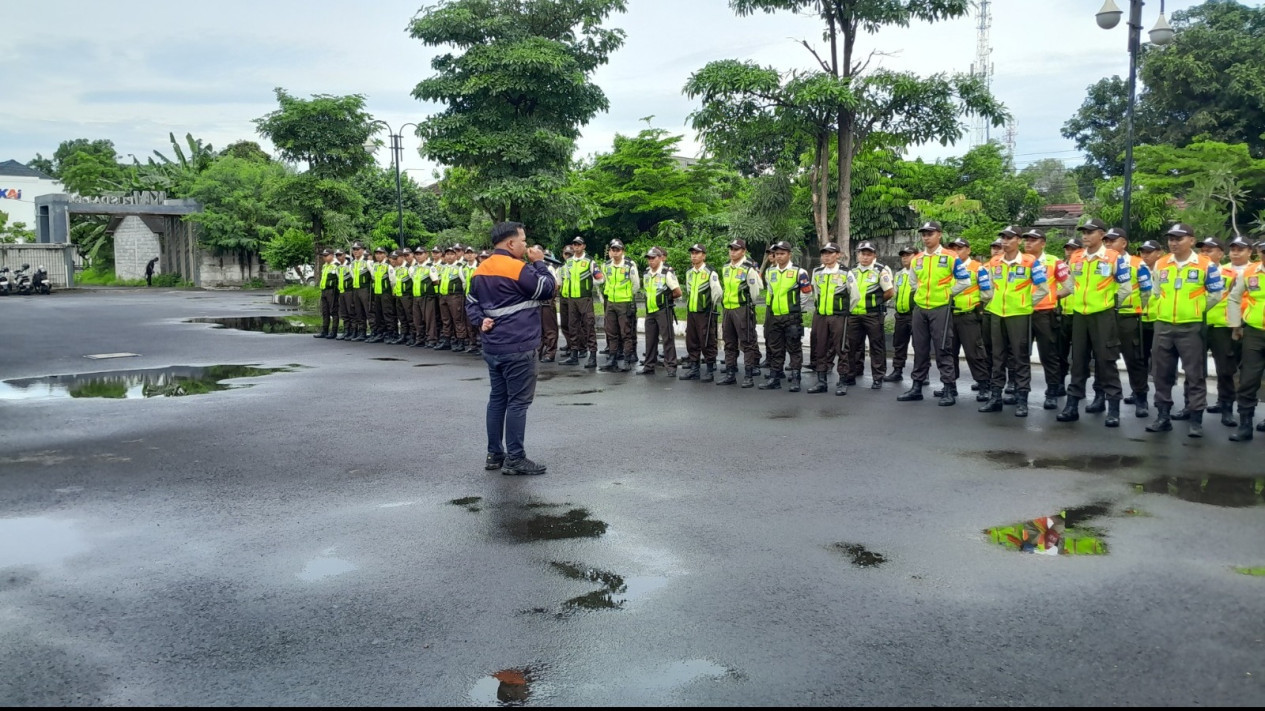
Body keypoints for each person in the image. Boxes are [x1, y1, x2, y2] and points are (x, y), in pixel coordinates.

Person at [466, 221, 556, 476]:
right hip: (518, 345)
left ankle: (495, 454)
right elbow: (546, 289)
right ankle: (515, 458)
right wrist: (539, 262)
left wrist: (479, 320)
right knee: (518, 403)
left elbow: (471, 303)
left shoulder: (480, 269)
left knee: (497, 399)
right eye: (524, 241)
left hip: (493, 346)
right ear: (510, 243)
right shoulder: (517, 268)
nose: (527, 245)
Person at [1145, 223, 1225, 437]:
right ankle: (1163, 416)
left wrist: (1196, 310)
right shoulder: (1161, 264)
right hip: (1163, 325)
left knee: (1194, 373)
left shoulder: (1205, 265)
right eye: (1170, 238)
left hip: (1191, 327)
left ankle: (1196, 419)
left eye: (1178, 238)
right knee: (1161, 373)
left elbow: (1216, 294)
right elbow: (1155, 292)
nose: (1173, 242)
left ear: (1191, 240)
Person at [1057, 218, 1132, 427]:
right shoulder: (1076, 257)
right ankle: (1072, 405)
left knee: (1106, 360)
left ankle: (1113, 408)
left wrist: (1110, 304)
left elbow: (1126, 287)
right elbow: (1070, 285)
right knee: (1078, 360)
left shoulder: (1113, 258)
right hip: (1080, 315)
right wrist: (1053, 296)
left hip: (1103, 315)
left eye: (1090, 232)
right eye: (1083, 232)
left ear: (1101, 234)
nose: (1085, 236)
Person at [897, 221, 973, 406]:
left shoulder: (950, 257)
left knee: (943, 348)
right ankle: (917, 386)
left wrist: (948, 294)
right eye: (923, 234)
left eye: (930, 233)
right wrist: (922, 294)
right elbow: (913, 282)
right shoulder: (918, 259)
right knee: (919, 347)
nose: (926, 237)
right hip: (921, 308)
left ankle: (948, 388)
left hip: (940, 308)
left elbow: (965, 281)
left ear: (939, 235)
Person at [978, 227, 1048, 417]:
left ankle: (1022, 399)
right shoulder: (994, 262)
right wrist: (990, 300)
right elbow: (988, 288)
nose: (1004, 241)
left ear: (1018, 240)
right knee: (997, 357)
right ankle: (995, 397)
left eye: (1009, 238)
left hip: (1019, 315)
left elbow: (1043, 288)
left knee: (1020, 357)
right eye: (1002, 237)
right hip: (996, 313)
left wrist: (1026, 304)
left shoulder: (1030, 262)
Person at [1105, 228, 1153, 418]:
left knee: (1134, 359)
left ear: (1123, 243)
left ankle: (1141, 397)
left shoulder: (1137, 263)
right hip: (1106, 317)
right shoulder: (1102, 260)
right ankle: (1102, 396)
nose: (1108, 244)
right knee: (1105, 359)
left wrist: (1136, 308)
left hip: (1128, 317)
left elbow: (1147, 291)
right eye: (1106, 241)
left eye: (1112, 241)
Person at [1204, 236, 1250, 427]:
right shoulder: (1219, 271)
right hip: (1216, 325)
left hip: (1242, 325)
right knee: (1221, 368)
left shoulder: (1255, 271)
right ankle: (1223, 404)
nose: (1236, 252)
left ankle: (1236, 407)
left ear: (1250, 252)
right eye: (1233, 249)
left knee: (1236, 369)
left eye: (1240, 249)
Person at [759, 241, 813, 392]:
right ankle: (775, 377)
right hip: (775, 316)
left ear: (789, 254)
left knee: (794, 348)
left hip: (792, 318)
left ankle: (796, 379)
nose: (779, 257)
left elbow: (807, 292)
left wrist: (796, 308)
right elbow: (770, 292)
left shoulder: (799, 272)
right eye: (776, 254)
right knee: (776, 348)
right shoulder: (770, 272)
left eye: (782, 253)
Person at [1226, 238, 1265, 440]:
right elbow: (1233, 297)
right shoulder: (1250, 273)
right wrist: (1236, 324)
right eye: (1263, 251)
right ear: (1258, 252)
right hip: (1255, 332)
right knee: (1248, 379)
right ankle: (1245, 424)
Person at [944, 237, 991, 401]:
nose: (956, 251)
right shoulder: (949, 267)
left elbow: (987, 293)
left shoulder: (978, 268)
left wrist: (977, 307)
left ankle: (984, 385)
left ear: (968, 250)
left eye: (960, 248)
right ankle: (950, 386)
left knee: (974, 352)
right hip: (950, 314)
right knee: (949, 352)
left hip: (968, 316)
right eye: (953, 248)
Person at [843, 241, 894, 389]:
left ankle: (878, 377)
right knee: (851, 347)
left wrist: (874, 303)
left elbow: (889, 292)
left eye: (868, 254)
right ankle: (851, 374)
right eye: (862, 254)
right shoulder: (852, 271)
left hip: (872, 315)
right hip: (854, 315)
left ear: (874, 255)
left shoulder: (881, 270)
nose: (865, 257)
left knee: (876, 347)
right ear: (857, 254)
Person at [718, 239, 764, 387]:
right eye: (731, 249)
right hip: (728, 309)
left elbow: (756, 290)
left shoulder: (748, 268)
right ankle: (730, 373)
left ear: (743, 251)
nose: (732, 252)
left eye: (736, 249)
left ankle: (749, 375)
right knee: (729, 342)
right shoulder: (726, 267)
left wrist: (747, 304)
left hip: (742, 309)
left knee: (747, 341)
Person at [807, 242, 850, 395]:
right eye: (824, 253)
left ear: (838, 255)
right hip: (821, 315)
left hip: (838, 316)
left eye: (830, 253)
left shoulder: (846, 273)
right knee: (820, 347)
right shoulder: (817, 272)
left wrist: (843, 310)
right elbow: (815, 292)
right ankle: (821, 381)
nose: (826, 256)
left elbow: (855, 296)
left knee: (841, 348)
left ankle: (843, 381)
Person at [679, 243, 722, 382]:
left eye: (697, 253)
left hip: (705, 312)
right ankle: (694, 368)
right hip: (692, 312)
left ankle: (709, 369)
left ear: (704, 255)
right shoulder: (689, 273)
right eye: (692, 253)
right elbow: (688, 290)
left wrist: (711, 307)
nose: (694, 256)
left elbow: (717, 292)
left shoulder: (710, 272)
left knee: (707, 340)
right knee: (692, 340)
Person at [597, 239, 640, 372]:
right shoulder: (606, 265)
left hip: (624, 303)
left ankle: (627, 360)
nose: (615, 253)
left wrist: (627, 296)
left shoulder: (629, 265)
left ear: (623, 251)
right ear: (610, 251)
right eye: (613, 250)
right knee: (611, 332)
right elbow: (602, 280)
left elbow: (636, 285)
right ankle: (612, 359)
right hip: (610, 302)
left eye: (618, 250)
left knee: (625, 333)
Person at [638, 247, 681, 376]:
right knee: (650, 340)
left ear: (659, 257)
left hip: (663, 310)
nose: (650, 261)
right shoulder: (646, 273)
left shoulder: (666, 272)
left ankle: (671, 366)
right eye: (649, 258)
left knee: (667, 339)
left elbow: (678, 292)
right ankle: (649, 366)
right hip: (650, 311)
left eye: (653, 258)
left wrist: (666, 299)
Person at [559, 237, 599, 369]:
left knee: (589, 325)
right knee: (572, 326)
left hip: (585, 298)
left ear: (584, 246)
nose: (576, 247)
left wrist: (589, 286)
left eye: (579, 244)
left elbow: (600, 278)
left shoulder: (589, 261)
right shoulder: (569, 262)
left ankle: (592, 356)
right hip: (572, 298)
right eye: (575, 244)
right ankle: (574, 355)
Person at [885, 246, 918, 383]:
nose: (904, 257)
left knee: (919, 345)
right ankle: (897, 370)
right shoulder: (899, 274)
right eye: (903, 255)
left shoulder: (920, 273)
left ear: (916, 256)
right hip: (901, 315)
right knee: (899, 345)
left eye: (908, 255)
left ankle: (922, 373)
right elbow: (896, 293)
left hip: (916, 314)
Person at [433, 246, 469, 351]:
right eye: (447, 254)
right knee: (445, 319)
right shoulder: (443, 267)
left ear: (456, 255)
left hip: (455, 296)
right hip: (443, 296)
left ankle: (461, 341)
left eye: (452, 254)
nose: (449, 257)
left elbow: (464, 282)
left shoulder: (460, 267)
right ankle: (447, 340)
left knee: (458, 319)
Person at [1138, 240, 1163, 373]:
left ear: (1159, 253)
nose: (1145, 255)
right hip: (1142, 319)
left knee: (1161, 356)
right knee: (1141, 355)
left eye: (1149, 252)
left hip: (1158, 319)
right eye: (1143, 252)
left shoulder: (1165, 269)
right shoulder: (1139, 269)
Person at [538, 248, 561, 363]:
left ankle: (550, 352)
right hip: (537, 303)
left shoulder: (549, 268)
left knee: (549, 329)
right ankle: (539, 350)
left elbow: (556, 285)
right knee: (539, 329)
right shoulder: (532, 267)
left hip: (547, 302)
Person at [367, 247, 392, 344]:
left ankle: (391, 333)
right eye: (377, 253)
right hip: (377, 292)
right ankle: (380, 333)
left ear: (385, 254)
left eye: (381, 253)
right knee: (378, 314)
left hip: (386, 293)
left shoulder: (388, 265)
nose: (378, 255)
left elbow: (392, 280)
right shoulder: (375, 265)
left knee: (387, 314)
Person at [347, 243, 372, 342]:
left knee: (368, 311)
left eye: (357, 249)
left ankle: (374, 331)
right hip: (356, 289)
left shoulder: (367, 262)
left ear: (362, 250)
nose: (355, 251)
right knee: (358, 311)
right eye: (354, 249)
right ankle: (362, 332)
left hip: (365, 289)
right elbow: (352, 275)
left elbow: (373, 276)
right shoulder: (352, 264)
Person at [316, 249, 341, 339]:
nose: (324, 257)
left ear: (332, 255)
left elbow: (340, 278)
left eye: (326, 255)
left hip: (332, 290)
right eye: (323, 256)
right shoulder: (324, 266)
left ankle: (334, 331)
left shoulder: (336, 265)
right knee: (325, 311)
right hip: (324, 290)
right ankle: (324, 330)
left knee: (333, 311)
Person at [396, 248, 416, 346]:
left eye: (398, 258)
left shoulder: (410, 268)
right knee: (402, 316)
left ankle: (413, 335)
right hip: (399, 295)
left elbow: (414, 281)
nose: (396, 260)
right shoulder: (398, 268)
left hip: (407, 295)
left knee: (410, 316)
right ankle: (404, 334)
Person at [558, 246, 574, 359]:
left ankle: (575, 348)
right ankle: (569, 344)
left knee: (573, 324)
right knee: (564, 324)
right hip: (563, 297)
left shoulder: (575, 267)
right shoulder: (562, 268)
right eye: (566, 254)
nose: (567, 256)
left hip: (573, 298)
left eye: (570, 254)